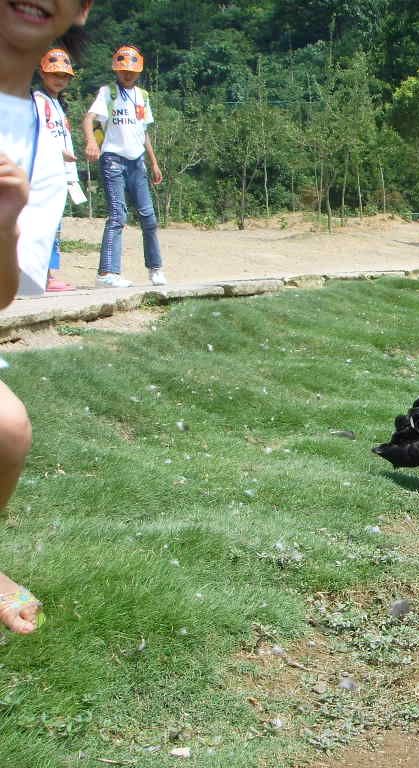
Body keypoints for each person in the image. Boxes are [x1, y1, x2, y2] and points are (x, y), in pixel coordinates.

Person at [1, 0, 94, 635]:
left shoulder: (34, 124)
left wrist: (5, 223)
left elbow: (3, 294)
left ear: (80, 10)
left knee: (7, 429)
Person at [83, 44, 164, 287]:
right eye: (123, 70)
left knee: (149, 216)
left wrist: (154, 162)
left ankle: (155, 269)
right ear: (116, 69)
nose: (127, 74)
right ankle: (106, 273)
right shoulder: (108, 93)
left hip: (137, 161)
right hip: (113, 160)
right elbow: (89, 119)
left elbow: (143, 131)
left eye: (132, 70)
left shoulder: (143, 96)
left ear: (139, 71)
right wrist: (91, 142)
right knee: (118, 215)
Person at [34, 48, 81, 292]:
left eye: (64, 76)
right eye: (54, 74)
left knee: (54, 225)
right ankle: (43, 276)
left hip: (59, 172)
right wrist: (59, 152)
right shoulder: (38, 101)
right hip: (44, 171)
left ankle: (46, 275)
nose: (59, 79)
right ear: (43, 73)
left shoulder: (58, 104)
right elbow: (37, 133)